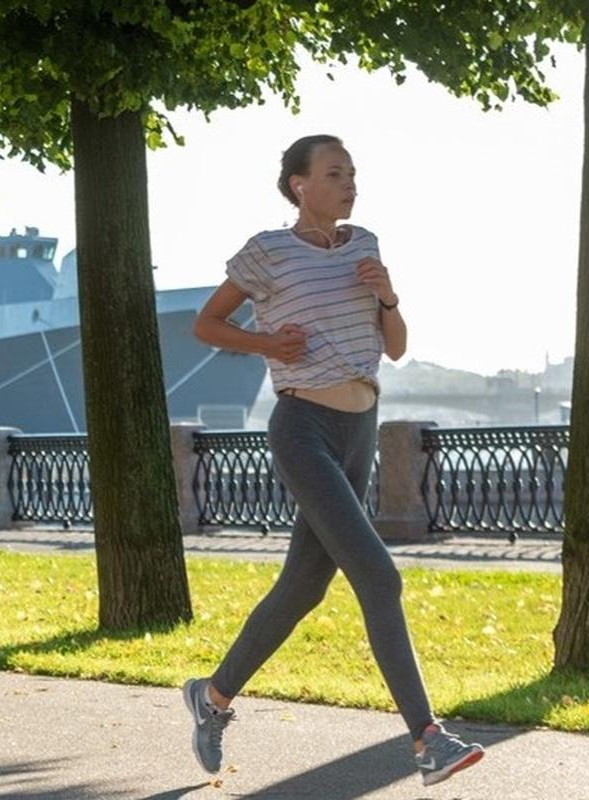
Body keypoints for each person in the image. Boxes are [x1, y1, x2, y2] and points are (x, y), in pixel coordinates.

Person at [183, 134, 484, 788]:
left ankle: (211, 698)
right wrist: (268, 343)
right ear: (299, 184)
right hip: (303, 427)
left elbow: (396, 349)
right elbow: (206, 325)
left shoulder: (365, 244)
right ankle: (427, 739)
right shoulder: (267, 252)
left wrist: (388, 295)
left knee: (303, 587)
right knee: (379, 576)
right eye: (334, 173)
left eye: (352, 173)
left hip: (360, 426)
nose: (349, 184)